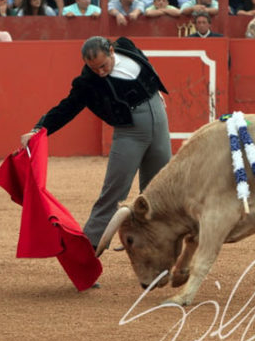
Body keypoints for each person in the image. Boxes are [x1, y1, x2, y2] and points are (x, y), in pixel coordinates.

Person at [19, 36, 171, 253]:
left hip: (159, 123)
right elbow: (67, 107)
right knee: (114, 190)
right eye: (93, 68)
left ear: (111, 51)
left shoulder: (125, 46)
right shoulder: (87, 82)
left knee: (158, 188)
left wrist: (155, 88)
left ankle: (148, 243)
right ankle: (87, 252)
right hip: (130, 133)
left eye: (103, 65)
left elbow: (144, 62)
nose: (100, 72)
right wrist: (39, 128)